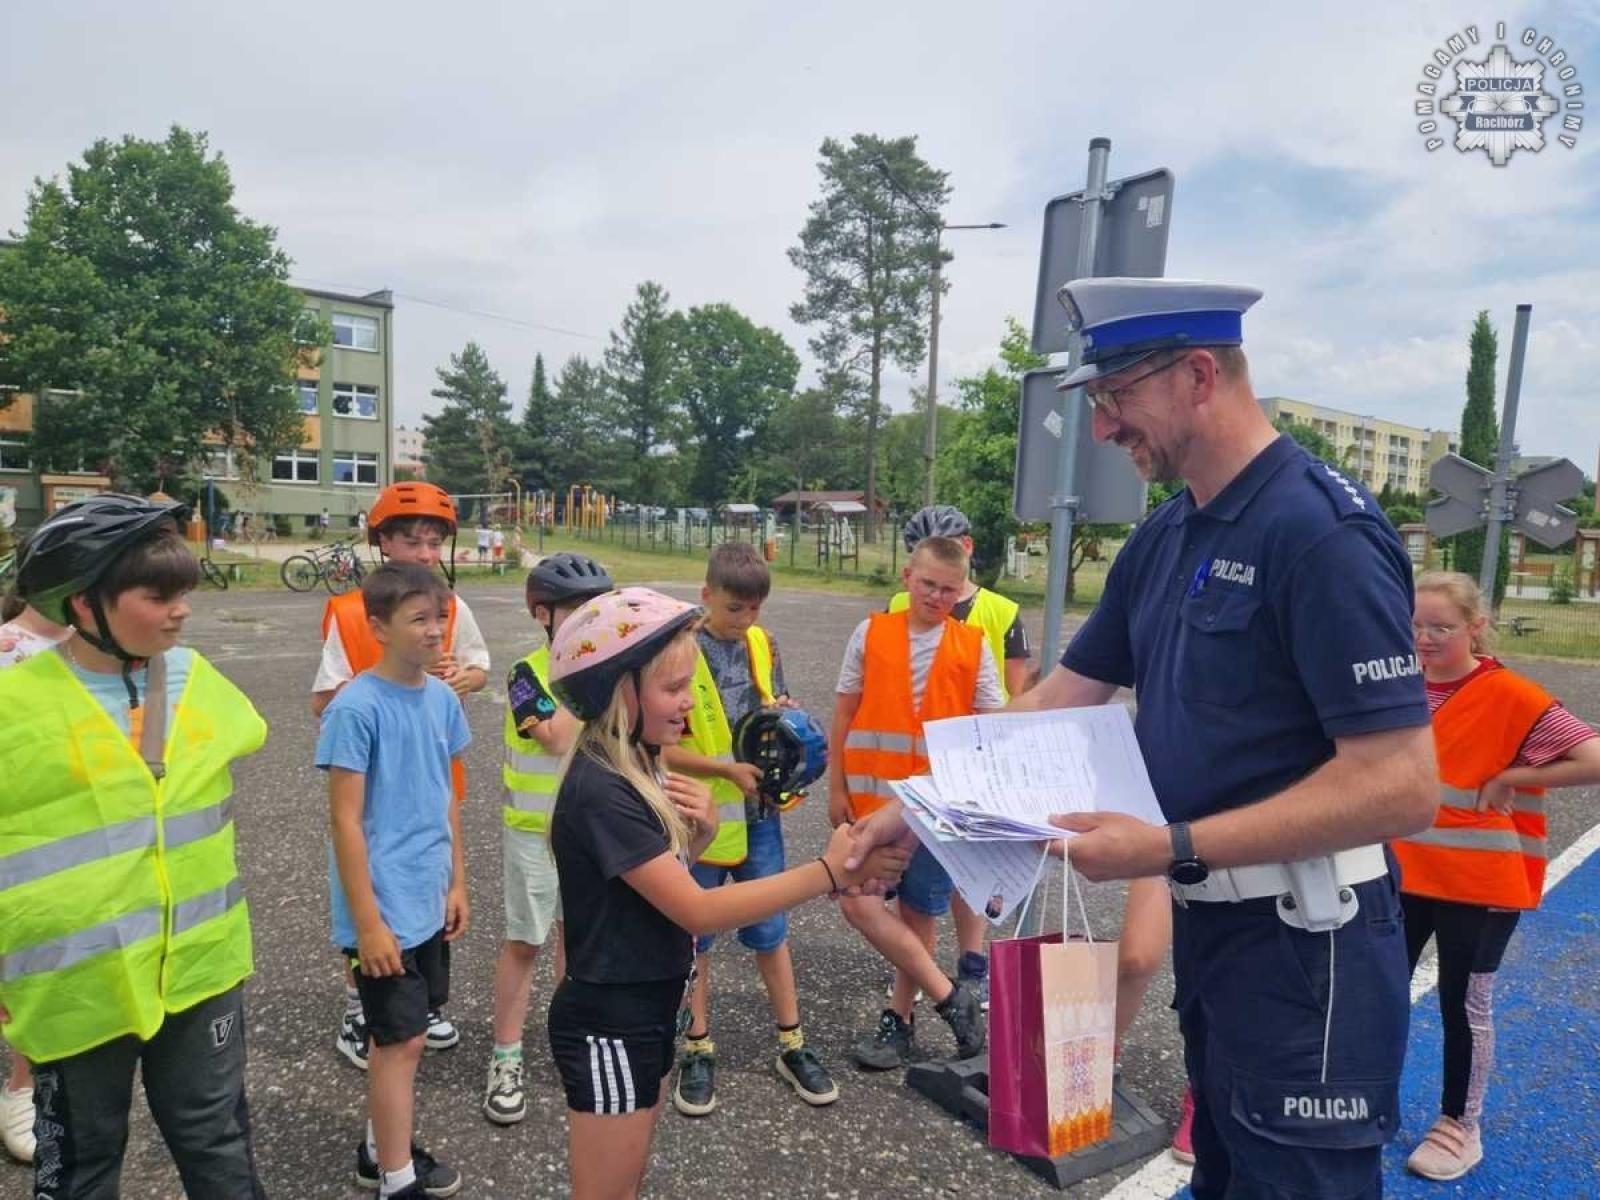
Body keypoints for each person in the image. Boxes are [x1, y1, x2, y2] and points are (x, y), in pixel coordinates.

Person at [846, 278, 1439, 1199]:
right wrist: (919, 806)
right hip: (1219, 933)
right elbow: (1063, 696)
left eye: (1116, 395)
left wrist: (1167, 847)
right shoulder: (1167, 535)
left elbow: (1402, 783)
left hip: (1310, 947)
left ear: (1199, 375)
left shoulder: (1321, 534)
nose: (1100, 428)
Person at [543, 587, 907, 1200]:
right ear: (618, 693)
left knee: (628, 1182)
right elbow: (698, 909)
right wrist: (829, 872)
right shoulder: (602, 790)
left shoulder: (639, 763)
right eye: (673, 688)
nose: (689, 700)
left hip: (650, 1008)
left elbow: (652, 888)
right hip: (611, 1022)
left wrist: (702, 835)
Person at [0, 494, 268, 1197]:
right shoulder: (14, 706)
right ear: (84, 604)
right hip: (75, 985)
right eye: (158, 597)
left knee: (217, 1143)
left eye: (184, 593)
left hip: (200, 969)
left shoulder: (196, 680)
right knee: (80, 1164)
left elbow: (249, 734)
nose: (181, 611)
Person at [1390, 572, 1600, 1181]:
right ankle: (1371, 1099)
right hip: (1401, 874)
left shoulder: (1511, 695)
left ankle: (1460, 1124)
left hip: (1479, 885)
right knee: (1378, 993)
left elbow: (1593, 757)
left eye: (1441, 627)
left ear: (1476, 627)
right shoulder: (1399, 686)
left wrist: (1514, 776)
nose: (1425, 637)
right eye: (1415, 624)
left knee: (1463, 1003)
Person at [312, 482, 488, 1068]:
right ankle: (359, 1006)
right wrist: (387, 689)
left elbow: (479, 667)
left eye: (434, 543)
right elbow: (322, 698)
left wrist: (462, 679)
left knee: (429, 898)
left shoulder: (451, 608)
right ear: (383, 543)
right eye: (412, 541)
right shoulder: (351, 613)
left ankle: (422, 1005)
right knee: (375, 896)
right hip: (377, 784)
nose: (424, 553)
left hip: (432, 777)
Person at [660, 542, 838, 1117]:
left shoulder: (764, 643)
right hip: (702, 823)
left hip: (760, 818)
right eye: (734, 607)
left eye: (755, 608)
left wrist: (787, 717)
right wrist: (725, 773)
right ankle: (697, 1047)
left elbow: (770, 713)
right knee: (698, 939)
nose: (745, 619)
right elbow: (660, 748)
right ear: (706, 595)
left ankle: (792, 1042)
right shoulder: (679, 651)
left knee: (771, 931)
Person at [317, 563, 471, 1200]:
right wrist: (369, 925)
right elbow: (345, 821)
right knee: (401, 1041)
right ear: (378, 627)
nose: (434, 631)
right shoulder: (355, 708)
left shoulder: (443, 699)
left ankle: (378, 1152)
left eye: (440, 618)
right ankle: (397, 1179)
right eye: (418, 619)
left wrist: (457, 882)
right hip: (381, 909)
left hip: (427, 897)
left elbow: (447, 798)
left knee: (407, 1037)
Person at [832, 534, 998, 1070]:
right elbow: (845, 713)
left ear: (962, 590)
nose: (936, 596)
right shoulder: (871, 633)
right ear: (907, 577)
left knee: (919, 911)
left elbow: (990, 728)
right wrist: (836, 787)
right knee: (857, 901)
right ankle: (950, 995)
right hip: (871, 805)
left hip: (937, 812)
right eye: (928, 584)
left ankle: (899, 1018)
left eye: (949, 589)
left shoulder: (973, 646)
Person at [483, 552, 615, 1126]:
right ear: (543, 614)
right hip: (534, 836)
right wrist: (600, 683)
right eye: (577, 608)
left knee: (577, 943)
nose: (590, 619)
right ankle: (506, 1056)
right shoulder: (526, 675)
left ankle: (572, 1037)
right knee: (525, 943)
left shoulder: (607, 671)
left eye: (597, 608)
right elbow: (558, 737)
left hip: (588, 835)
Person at [888, 504, 1036, 1012]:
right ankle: (917, 976)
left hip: (976, 760)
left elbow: (1017, 691)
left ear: (967, 548)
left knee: (971, 870)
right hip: (915, 761)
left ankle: (972, 966)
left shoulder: (1000, 610)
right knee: (920, 882)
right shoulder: (898, 604)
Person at [0, 591, 72, 1165]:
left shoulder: (107, 645)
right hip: (16, 829)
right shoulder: (10, 650)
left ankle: (26, 1085)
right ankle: (22, 1088)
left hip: (76, 832)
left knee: (45, 966)